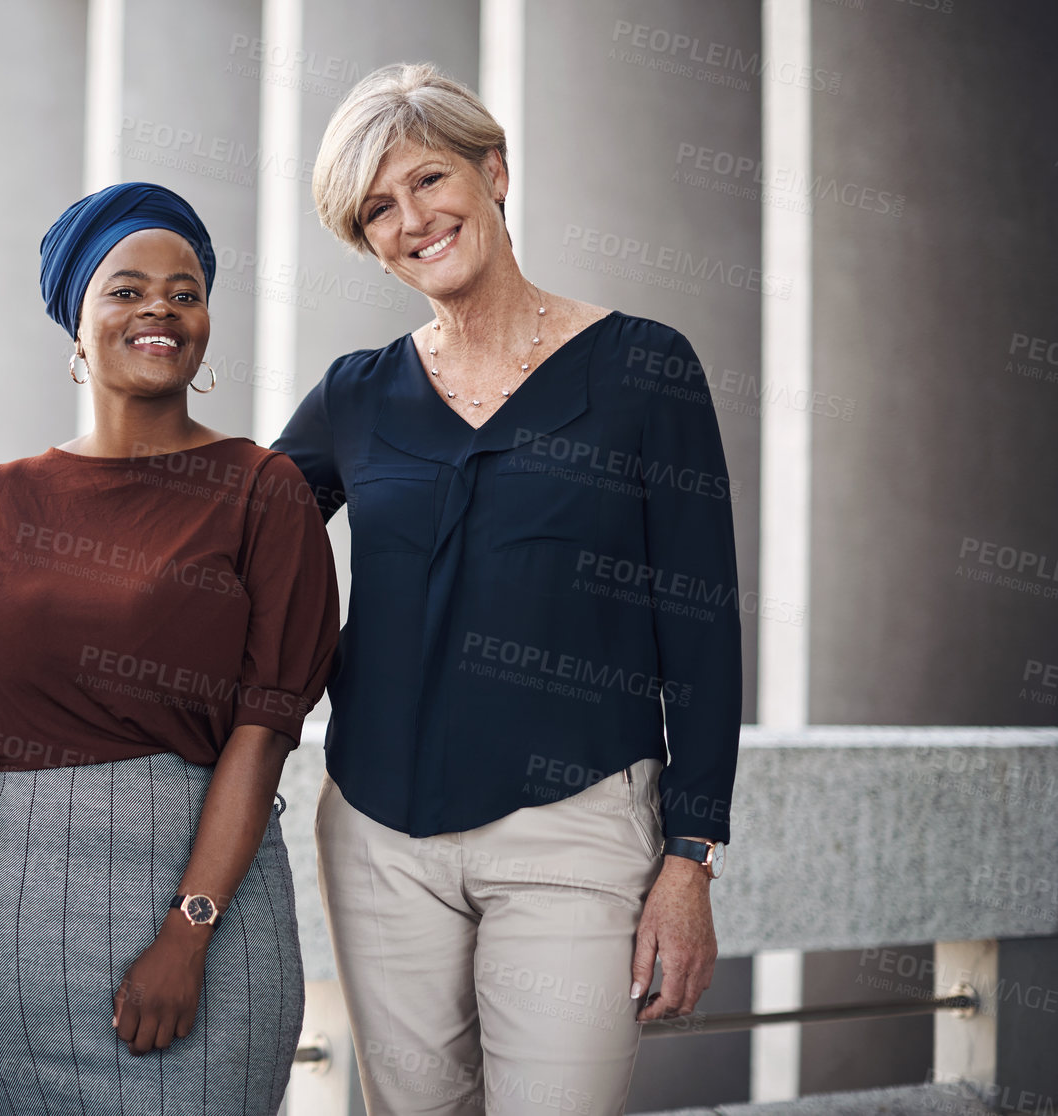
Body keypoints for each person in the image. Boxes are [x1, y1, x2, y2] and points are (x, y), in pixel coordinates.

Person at [273, 63, 742, 1115]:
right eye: (377, 211)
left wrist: (691, 859)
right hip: (379, 836)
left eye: (429, 180)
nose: (413, 220)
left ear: (495, 172)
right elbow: (235, 547)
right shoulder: (355, 395)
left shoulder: (644, 370)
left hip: (575, 824)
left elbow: (703, 633)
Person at [0, 181, 341, 1115]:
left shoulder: (261, 490)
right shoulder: (4, 499)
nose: (159, 305)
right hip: (4, 917)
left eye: (185, 291)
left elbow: (264, 729)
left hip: (205, 905)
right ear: (76, 324)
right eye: (125, 287)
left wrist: (187, 931)